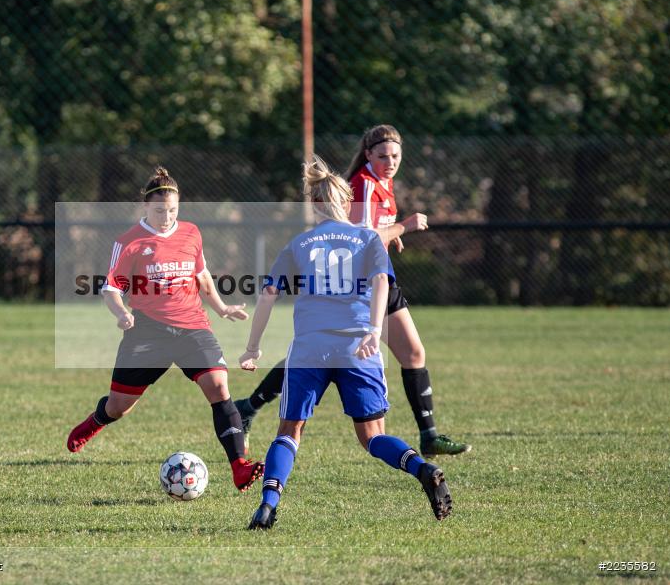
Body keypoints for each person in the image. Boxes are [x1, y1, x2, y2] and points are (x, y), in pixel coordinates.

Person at [239, 156, 452, 529]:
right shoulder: (368, 238)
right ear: (346, 202)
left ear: (314, 205)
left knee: (289, 432)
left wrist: (253, 347)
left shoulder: (299, 243)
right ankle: (423, 467)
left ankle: (268, 504)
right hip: (358, 347)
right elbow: (382, 282)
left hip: (309, 350)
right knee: (372, 437)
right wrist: (373, 329)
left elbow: (268, 293)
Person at [235, 125, 471, 457]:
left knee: (406, 353)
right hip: (358, 284)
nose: (390, 162)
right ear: (367, 155)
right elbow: (357, 237)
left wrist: (392, 233)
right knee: (326, 352)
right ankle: (251, 405)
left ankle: (428, 434)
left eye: (396, 156)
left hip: (375, 279)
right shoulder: (361, 184)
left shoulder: (382, 184)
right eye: (383, 156)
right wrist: (404, 226)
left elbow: (372, 233)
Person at [66, 166, 265, 492]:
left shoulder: (190, 233)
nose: (167, 216)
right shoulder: (129, 241)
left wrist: (222, 307)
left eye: (173, 209)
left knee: (218, 386)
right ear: (145, 206)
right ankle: (96, 421)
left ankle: (239, 466)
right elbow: (111, 288)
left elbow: (202, 276)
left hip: (192, 327)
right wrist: (121, 314)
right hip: (147, 331)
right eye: (160, 210)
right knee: (119, 406)